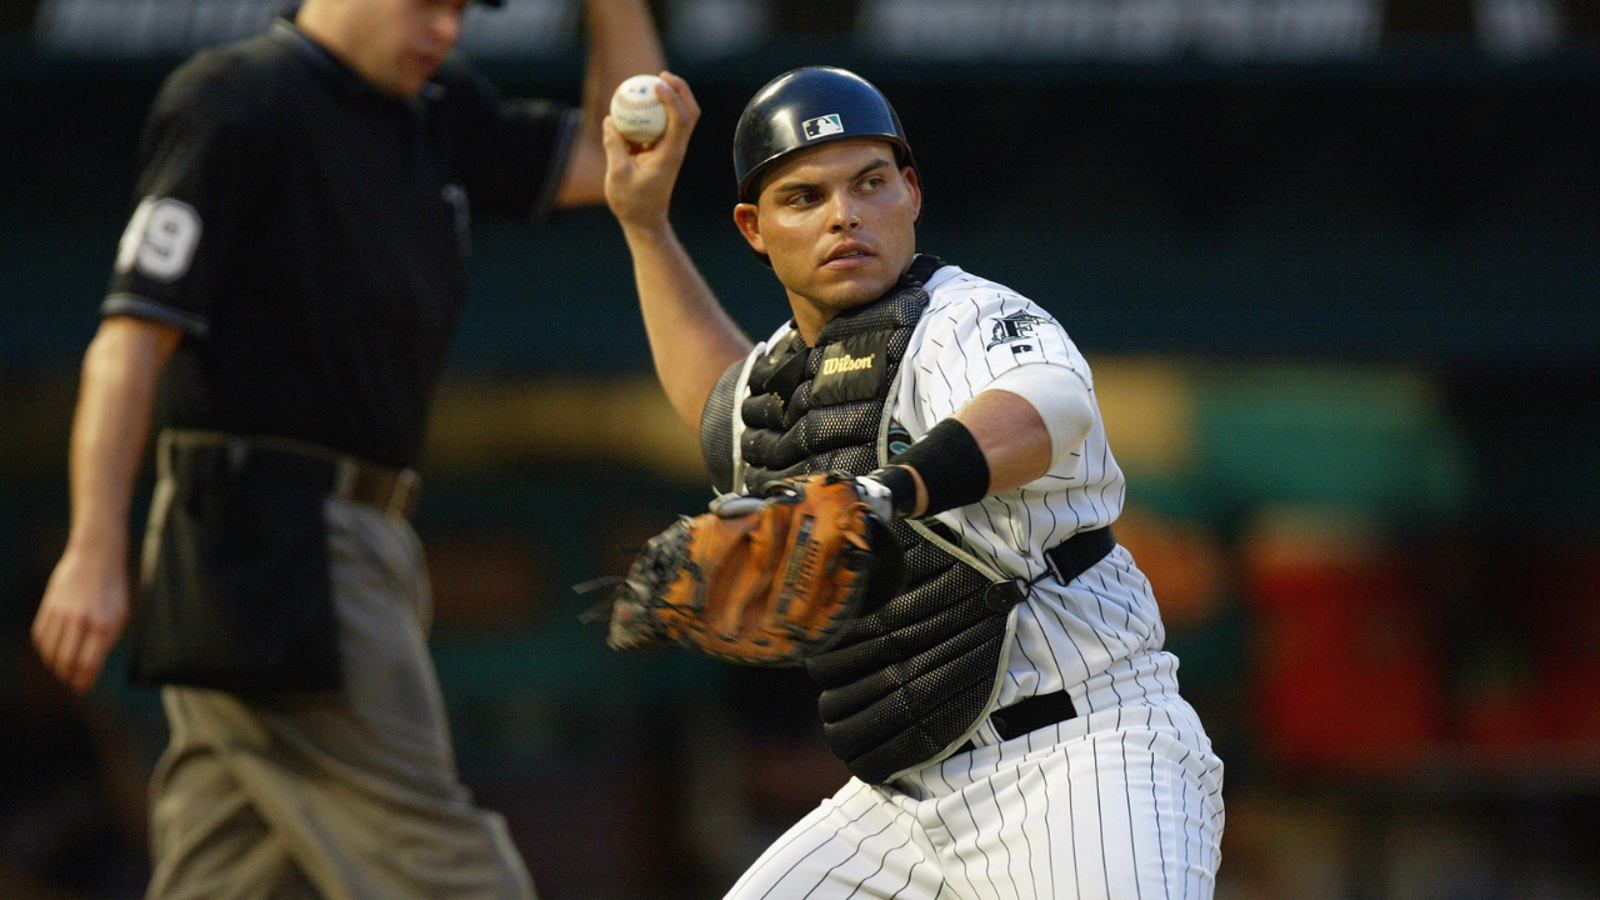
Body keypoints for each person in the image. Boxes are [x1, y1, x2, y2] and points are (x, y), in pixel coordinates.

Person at [30, 0, 664, 896]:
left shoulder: (435, 108)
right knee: (444, 868)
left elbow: (621, 162)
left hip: (354, 534)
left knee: (228, 873)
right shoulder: (240, 98)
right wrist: (93, 545)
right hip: (269, 531)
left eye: (460, 9)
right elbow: (130, 340)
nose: (447, 30)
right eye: (427, 4)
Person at [601, 67, 1225, 898]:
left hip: (1080, 760)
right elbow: (722, 408)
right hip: (902, 807)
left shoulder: (966, 317)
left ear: (912, 192)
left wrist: (881, 494)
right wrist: (644, 226)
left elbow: (1046, 406)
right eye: (805, 197)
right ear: (754, 228)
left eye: (870, 183)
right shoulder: (787, 376)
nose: (844, 214)